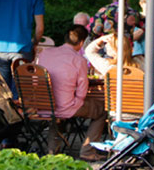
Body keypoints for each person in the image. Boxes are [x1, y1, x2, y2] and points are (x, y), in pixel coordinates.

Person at [36, 25, 107, 161]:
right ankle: (88, 150)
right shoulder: (78, 60)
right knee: (102, 110)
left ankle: (52, 151)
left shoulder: (45, 54)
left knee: (56, 108)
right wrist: (75, 102)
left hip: (43, 106)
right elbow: (82, 91)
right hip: (65, 108)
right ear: (81, 43)